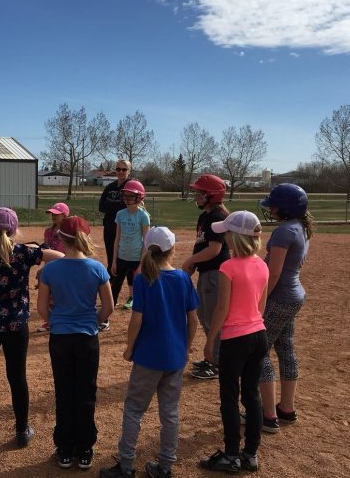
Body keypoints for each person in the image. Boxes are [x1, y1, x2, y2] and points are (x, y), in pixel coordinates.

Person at [100, 227, 199, 478]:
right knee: (170, 413)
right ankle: (165, 466)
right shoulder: (183, 278)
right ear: (172, 249)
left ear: (147, 249)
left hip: (148, 356)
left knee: (134, 409)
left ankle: (127, 465)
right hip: (174, 357)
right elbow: (193, 320)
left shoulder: (144, 278)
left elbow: (137, 319)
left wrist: (129, 347)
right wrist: (185, 348)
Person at [0, 207, 63, 449]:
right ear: (15, 230)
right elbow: (59, 257)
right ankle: (21, 431)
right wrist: (42, 269)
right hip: (16, 325)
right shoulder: (24, 252)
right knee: (17, 378)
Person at [37, 216, 114, 471]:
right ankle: (85, 448)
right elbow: (108, 307)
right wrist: (94, 321)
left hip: (61, 337)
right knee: (86, 392)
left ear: (60, 238)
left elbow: (42, 309)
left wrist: (55, 320)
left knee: (64, 391)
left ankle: (65, 448)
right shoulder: (97, 268)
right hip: (86, 337)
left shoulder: (50, 270)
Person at [198, 211, 269, 474]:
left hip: (235, 339)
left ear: (236, 237)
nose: (224, 235)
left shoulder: (228, 266)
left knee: (229, 397)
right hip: (258, 335)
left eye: (227, 232)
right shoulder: (262, 265)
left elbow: (221, 309)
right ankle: (250, 454)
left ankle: (230, 454)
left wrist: (210, 341)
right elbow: (260, 307)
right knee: (251, 396)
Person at [257, 183, 314, 434]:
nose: (271, 209)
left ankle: (268, 416)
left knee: (258, 352)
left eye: (275, 205)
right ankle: (286, 409)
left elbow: (274, 272)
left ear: (285, 208)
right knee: (285, 349)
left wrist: (259, 302)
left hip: (279, 297)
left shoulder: (283, 231)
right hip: (294, 296)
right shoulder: (300, 226)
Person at [181, 174, 230, 380]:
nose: (196, 196)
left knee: (213, 319)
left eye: (200, 193)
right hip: (206, 272)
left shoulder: (217, 217)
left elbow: (214, 249)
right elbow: (200, 245)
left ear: (211, 195)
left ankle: (216, 362)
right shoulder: (205, 216)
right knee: (204, 316)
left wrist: (190, 262)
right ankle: (213, 358)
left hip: (215, 274)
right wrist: (192, 266)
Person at [110, 180, 150, 311]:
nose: (127, 199)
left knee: (140, 287)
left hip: (136, 258)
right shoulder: (120, 214)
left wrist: (141, 264)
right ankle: (106, 316)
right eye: (125, 195)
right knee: (114, 287)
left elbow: (146, 241)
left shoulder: (143, 216)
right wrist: (114, 261)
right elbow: (117, 238)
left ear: (139, 197)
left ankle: (141, 315)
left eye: (131, 196)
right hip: (122, 257)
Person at [38, 202, 70, 332]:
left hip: (65, 267)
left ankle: (62, 320)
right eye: (52, 214)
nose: (53, 216)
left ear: (65, 215)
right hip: (50, 268)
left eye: (57, 214)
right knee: (48, 297)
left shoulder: (68, 233)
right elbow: (45, 251)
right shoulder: (48, 232)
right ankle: (50, 321)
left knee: (61, 296)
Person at [98, 159, 132, 275]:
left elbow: (132, 207)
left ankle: (131, 287)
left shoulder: (132, 186)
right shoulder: (110, 187)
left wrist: (112, 205)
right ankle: (111, 285)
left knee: (127, 259)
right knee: (111, 257)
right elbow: (101, 207)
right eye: (118, 169)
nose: (121, 172)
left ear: (129, 171)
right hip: (110, 227)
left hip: (127, 228)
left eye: (124, 169)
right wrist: (118, 205)